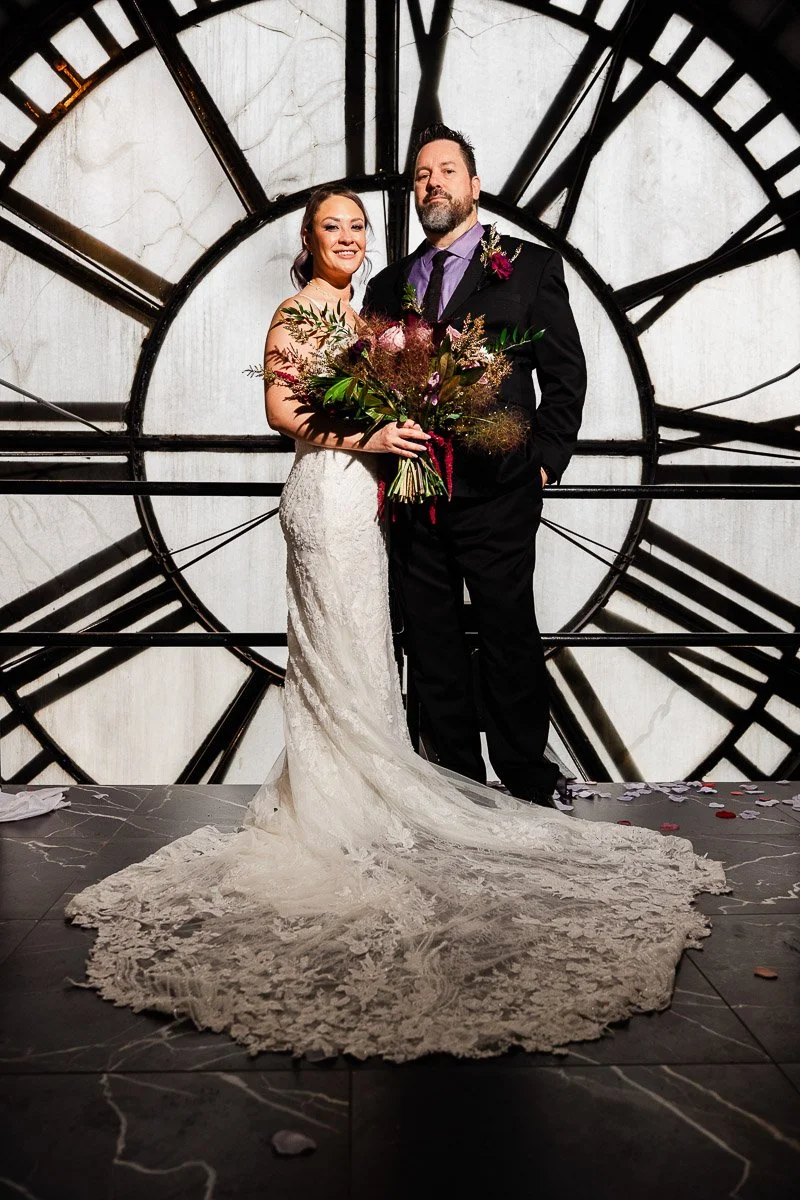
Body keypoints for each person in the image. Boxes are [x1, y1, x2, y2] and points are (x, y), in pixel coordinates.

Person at [66, 185, 725, 1063]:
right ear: (308, 243)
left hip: (376, 507)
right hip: (330, 496)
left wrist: (431, 425)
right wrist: (371, 445)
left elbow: (497, 380)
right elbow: (281, 414)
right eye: (330, 228)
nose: (347, 237)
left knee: (365, 652)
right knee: (337, 648)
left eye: (356, 227)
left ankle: (376, 790)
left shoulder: (373, 312)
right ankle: (345, 802)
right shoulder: (298, 312)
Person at [364, 123, 586, 807]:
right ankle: (454, 784)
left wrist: (544, 463)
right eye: (423, 176)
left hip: (498, 494)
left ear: (474, 185)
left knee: (508, 635)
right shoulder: (387, 283)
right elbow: (369, 382)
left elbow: (566, 377)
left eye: (447, 171)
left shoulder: (529, 266)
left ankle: (525, 779)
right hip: (415, 497)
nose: (433, 184)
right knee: (430, 644)